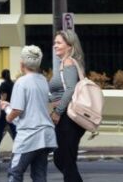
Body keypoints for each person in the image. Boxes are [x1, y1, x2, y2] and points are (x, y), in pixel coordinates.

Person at [1, 45, 57, 182]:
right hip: (45, 136)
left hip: (28, 136)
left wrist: (7, 112)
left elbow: (18, 110)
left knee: (15, 172)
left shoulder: (21, 82)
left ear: (22, 64)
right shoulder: (43, 80)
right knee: (39, 176)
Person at [49, 29, 86, 182]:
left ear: (69, 46)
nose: (54, 46)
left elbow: (70, 89)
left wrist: (58, 112)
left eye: (59, 43)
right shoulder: (63, 64)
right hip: (67, 118)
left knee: (64, 160)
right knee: (64, 160)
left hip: (68, 119)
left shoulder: (69, 62)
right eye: (54, 43)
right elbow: (63, 90)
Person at [0, 69, 17, 143]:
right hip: (13, 108)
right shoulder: (13, 84)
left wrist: (0, 108)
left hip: (5, 109)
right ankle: (18, 146)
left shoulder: (4, 85)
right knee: (13, 129)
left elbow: (4, 97)